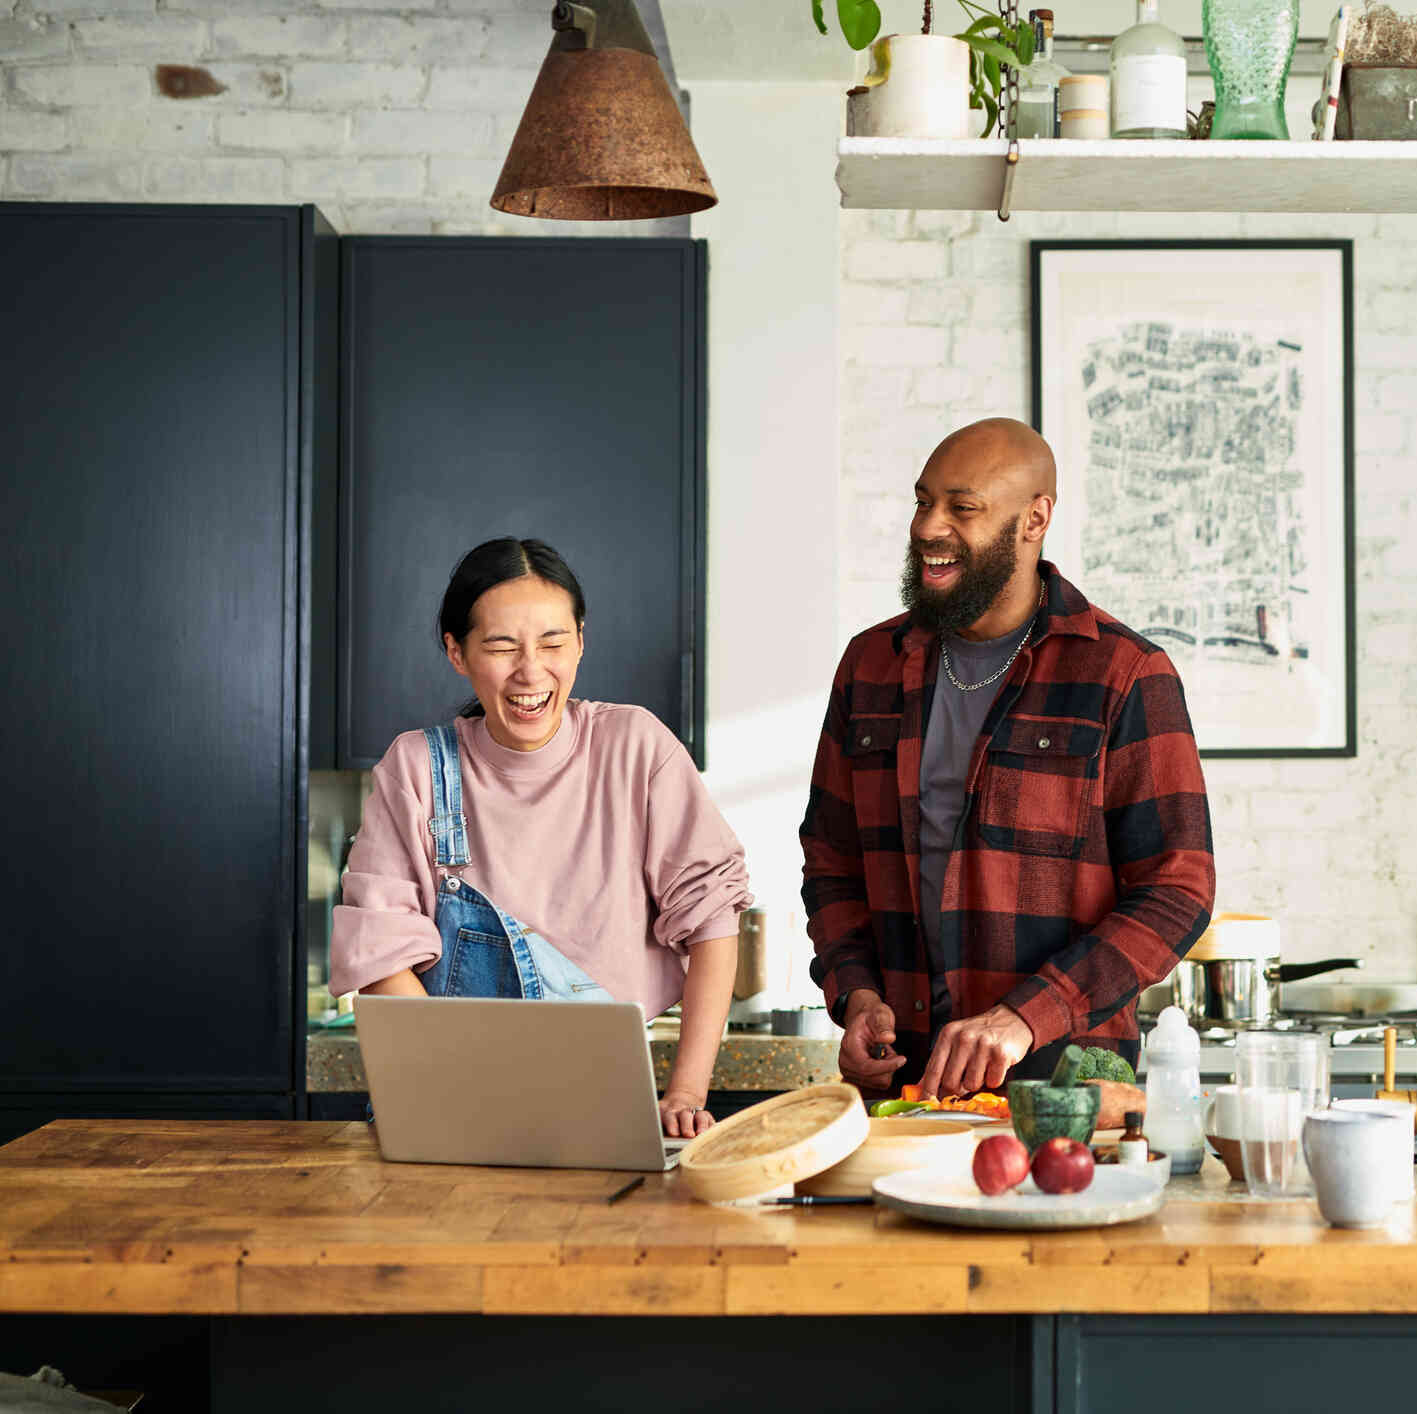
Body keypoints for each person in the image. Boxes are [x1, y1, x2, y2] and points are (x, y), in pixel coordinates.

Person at [802, 418, 1215, 1099]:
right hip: (902, 1087)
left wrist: (1023, 1018)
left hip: (1066, 1090)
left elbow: (1178, 891)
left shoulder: (1124, 672)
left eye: (961, 508)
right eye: (922, 501)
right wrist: (856, 994)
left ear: (1035, 518)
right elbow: (832, 859)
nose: (927, 527)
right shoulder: (869, 663)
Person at [330, 538, 750, 1138]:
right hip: (447, 1103)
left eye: (553, 643)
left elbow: (711, 921)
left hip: (606, 1104)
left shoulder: (637, 748)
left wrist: (685, 1091)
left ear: (580, 641)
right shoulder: (417, 767)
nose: (531, 671)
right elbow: (382, 952)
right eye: (501, 646)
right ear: (457, 651)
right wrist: (459, 1097)